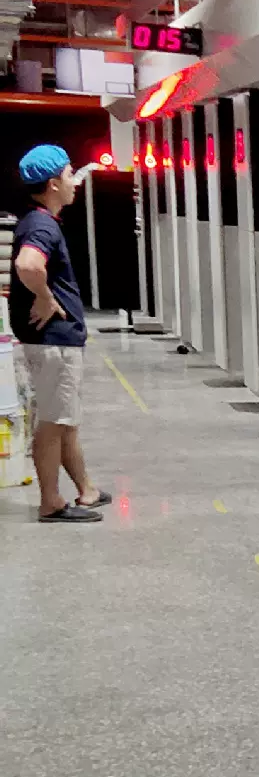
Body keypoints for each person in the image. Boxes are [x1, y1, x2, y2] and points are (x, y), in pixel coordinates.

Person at [10, 144, 108, 523]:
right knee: (53, 423)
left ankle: (87, 490)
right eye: (69, 175)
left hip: (56, 342)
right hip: (53, 342)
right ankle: (50, 502)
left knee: (64, 421)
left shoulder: (41, 221)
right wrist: (46, 298)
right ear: (53, 183)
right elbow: (28, 264)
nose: (75, 182)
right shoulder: (40, 225)